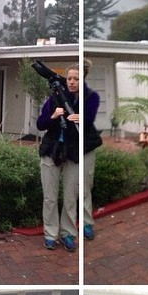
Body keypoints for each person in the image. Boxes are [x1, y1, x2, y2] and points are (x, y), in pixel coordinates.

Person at [36, 64, 80, 252]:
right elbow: (40, 124)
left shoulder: (84, 101)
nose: (72, 82)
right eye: (69, 78)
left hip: (73, 153)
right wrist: (53, 116)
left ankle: (67, 233)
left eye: (76, 79)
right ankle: (50, 234)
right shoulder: (54, 98)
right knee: (50, 197)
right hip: (51, 151)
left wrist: (82, 120)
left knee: (70, 197)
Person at [83, 58, 102, 241]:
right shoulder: (63, 95)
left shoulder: (91, 96)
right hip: (68, 148)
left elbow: (87, 119)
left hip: (86, 147)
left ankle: (86, 223)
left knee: (85, 187)